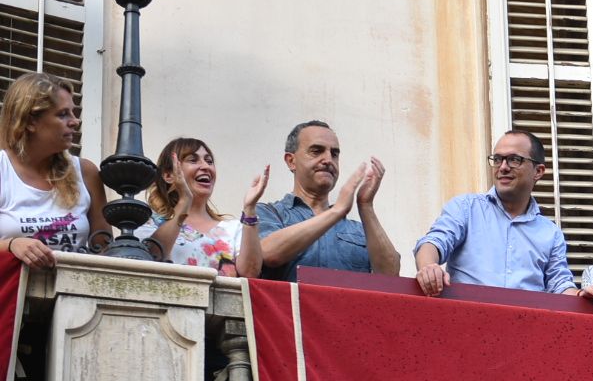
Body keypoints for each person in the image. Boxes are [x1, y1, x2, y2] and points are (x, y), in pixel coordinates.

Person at [413, 130, 593, 306]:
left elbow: (559, 286)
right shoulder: (466, 208)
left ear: (538, 171)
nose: (503, 167)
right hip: (466, 326)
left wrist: (583, 295)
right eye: (498, 159)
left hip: (526, 332)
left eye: (514, 159)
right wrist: (429, 267)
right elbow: (433, 243)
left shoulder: (550, 233)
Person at [258, 120, 400, 281]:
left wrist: (366, 206)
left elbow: (391, 275)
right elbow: (268, 254)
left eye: (334, 154)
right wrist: (336, 211)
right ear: (291, 161)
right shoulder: (269, 213)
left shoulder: (358, 230)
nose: (328, 159)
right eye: (316, 151)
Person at [0, 72, 108, 268]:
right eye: (63, 114)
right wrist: (12, 244)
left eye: (73, 113)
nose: (75, 121)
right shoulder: (2, 170)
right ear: (31, 121)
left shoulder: (85, 172)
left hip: (75, 295)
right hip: (10, 294)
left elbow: (105, 250)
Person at [136, 136, 268, 276]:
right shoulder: (151, 222)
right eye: (193, 160)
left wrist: (249, 209)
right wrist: (184, 201)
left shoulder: (233, 229)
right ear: (169, 175)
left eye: (209, 161)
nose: (206, 166)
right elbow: (150, 257)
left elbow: (251, 273)